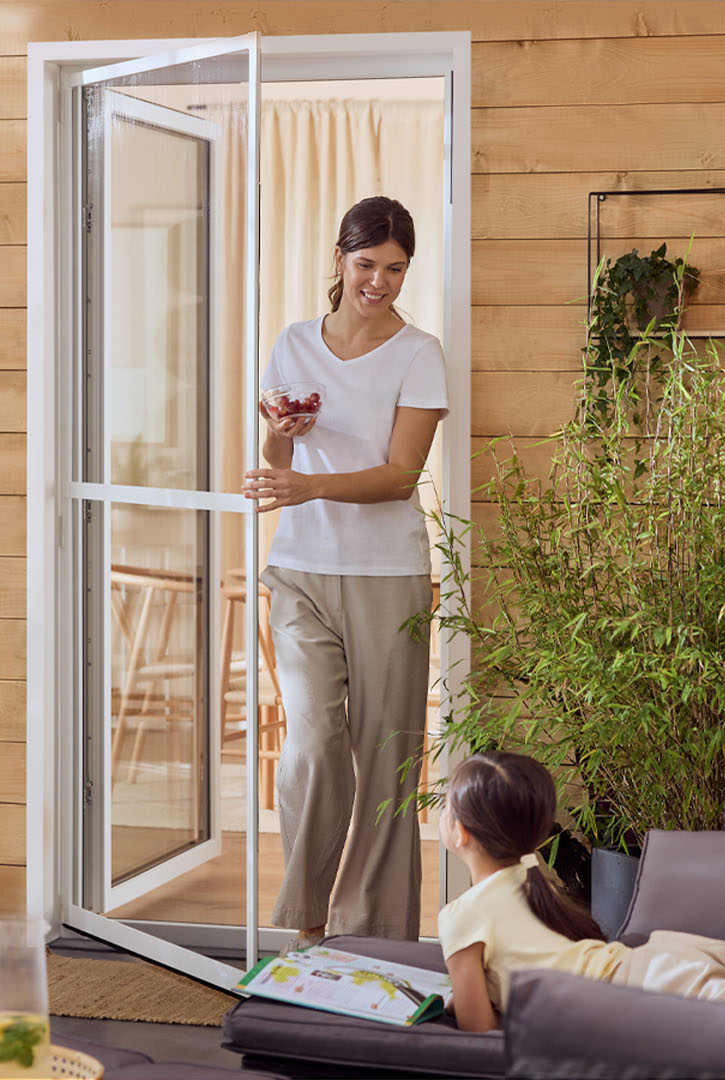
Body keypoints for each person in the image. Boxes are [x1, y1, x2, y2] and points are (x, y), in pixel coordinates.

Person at [241, 196, 447, 945]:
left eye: (395, 269)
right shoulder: (293, 344)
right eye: (367, 265)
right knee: (314, 744)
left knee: (387, 756)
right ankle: (304, 925)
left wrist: (310, 484)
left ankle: (379, 937)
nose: (380, 282)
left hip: (387, 576)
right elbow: (279, 462)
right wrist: (281, 443)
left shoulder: (418, 353)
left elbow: (400, 476)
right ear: (340, 258)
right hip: (298, 568)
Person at [436, 751, 725, 1032]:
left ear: (460, 832)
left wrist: (466, 999)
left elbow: (479, 1033)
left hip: (646, 996)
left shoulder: (462, 915)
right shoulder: (530, 873)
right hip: (658, 967)